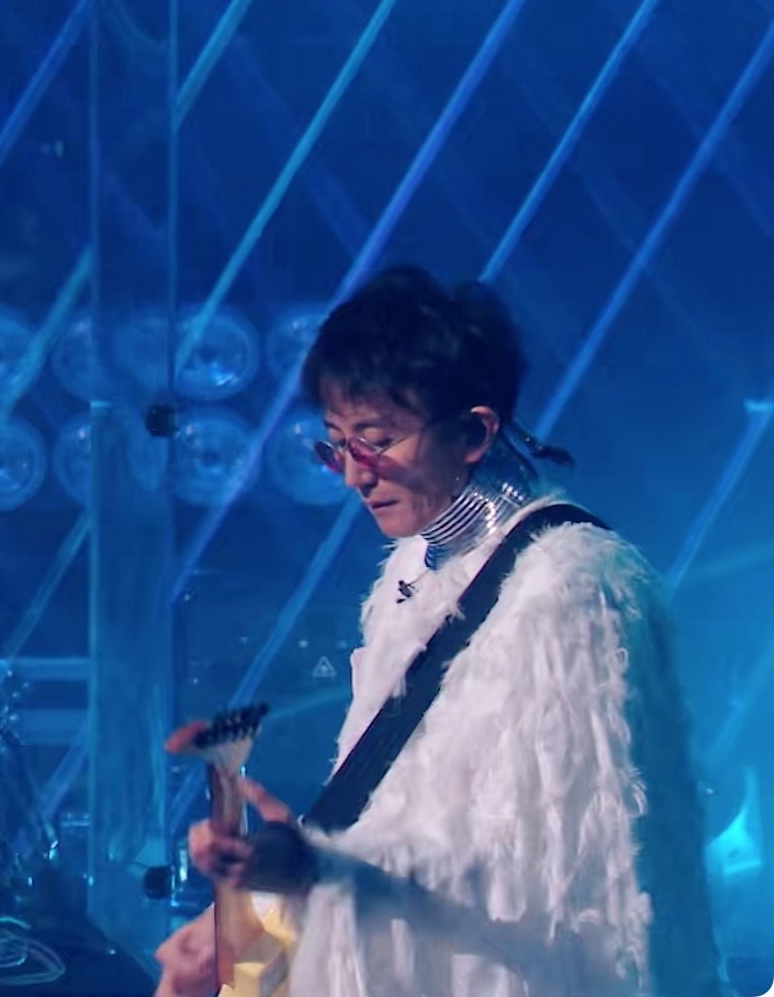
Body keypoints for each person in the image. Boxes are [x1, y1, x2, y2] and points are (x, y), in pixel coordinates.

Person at [153, 267, 723, 996]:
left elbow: (549, 876)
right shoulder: (410, 572)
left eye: (375, 442)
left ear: (475, 431)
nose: (354, 476)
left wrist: (315, 872)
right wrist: (258, 907)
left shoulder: (572, 588)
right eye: (335, 445)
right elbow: (385, 813)